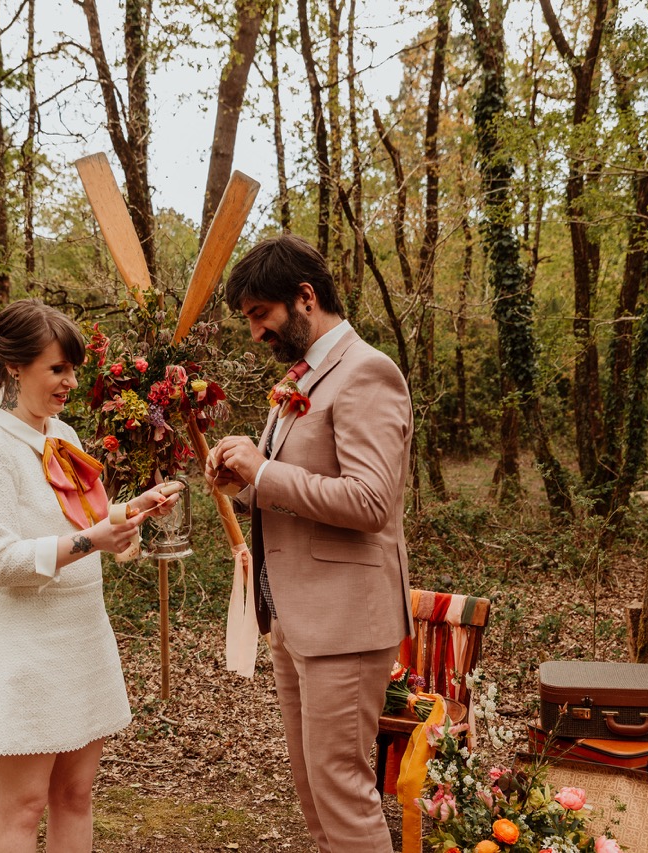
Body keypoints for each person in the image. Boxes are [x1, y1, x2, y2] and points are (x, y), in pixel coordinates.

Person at [0, 299, 179, 852]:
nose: (71, 381)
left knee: (76, 796)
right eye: (57, 369)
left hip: (84, 641)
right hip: (27, 652)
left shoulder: (64, 436)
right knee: (23, 807)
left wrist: (132, 509)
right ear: (14, 368)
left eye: (73, 369)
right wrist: (93, 540)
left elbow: (85, 521)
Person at [205, 234, 413, 853]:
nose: (254, 333)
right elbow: (299, 486)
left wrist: (264, 472)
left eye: (259, 314)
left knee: (343, 793)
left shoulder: (367, 372)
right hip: (295, 618)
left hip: (345, 621)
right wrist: (245, 483)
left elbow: (371, 502)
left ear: (304, 297)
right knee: (315, 793)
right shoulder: (305, 378)